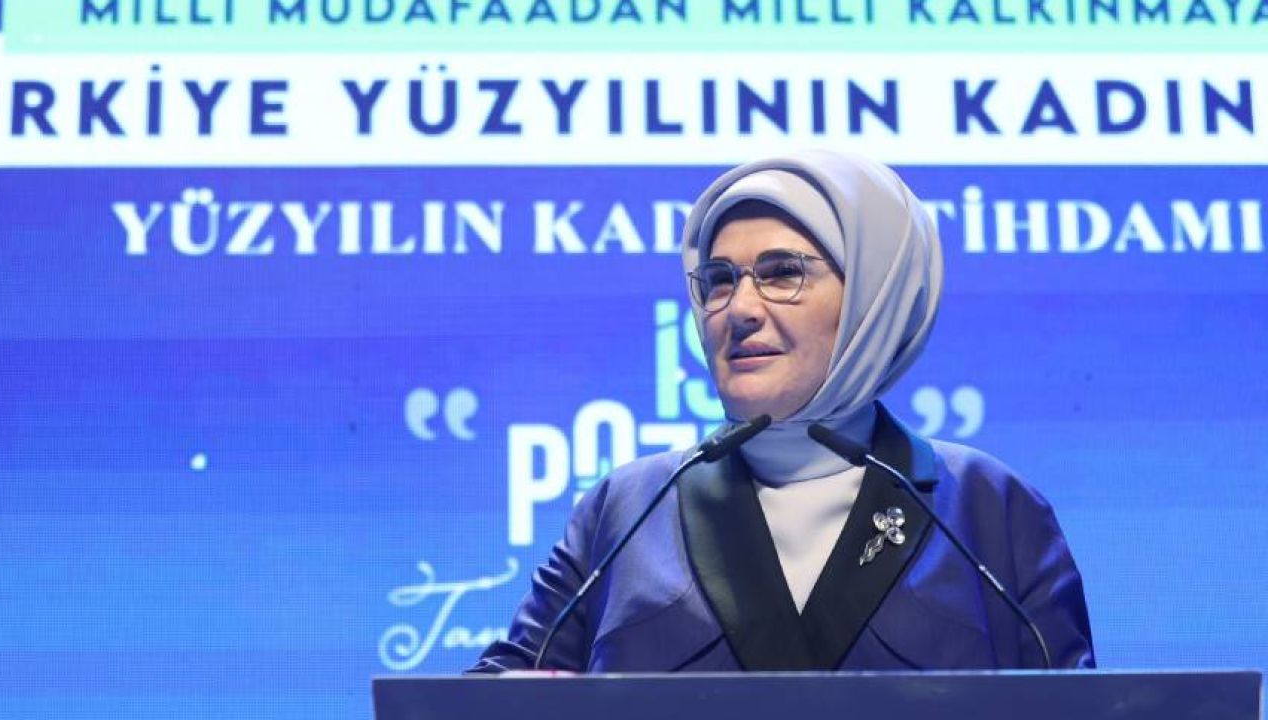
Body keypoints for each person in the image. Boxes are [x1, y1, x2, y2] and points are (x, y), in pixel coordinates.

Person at [469, 149, 1095, 673]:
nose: (739, 309)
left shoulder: (990, 508)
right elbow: (494, 696)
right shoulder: (627, 509)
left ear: (872, 297)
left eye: (781, 273)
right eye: (719, 279)